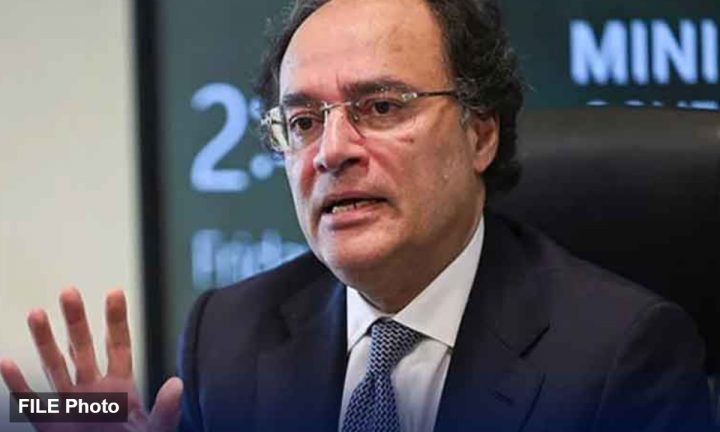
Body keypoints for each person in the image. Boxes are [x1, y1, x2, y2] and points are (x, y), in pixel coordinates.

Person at [1, 0, 715, 431]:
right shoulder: (229, 335)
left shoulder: (622, 357)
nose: (331, 151)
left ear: (479, 133)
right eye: (303, 121)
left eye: (380, 106)